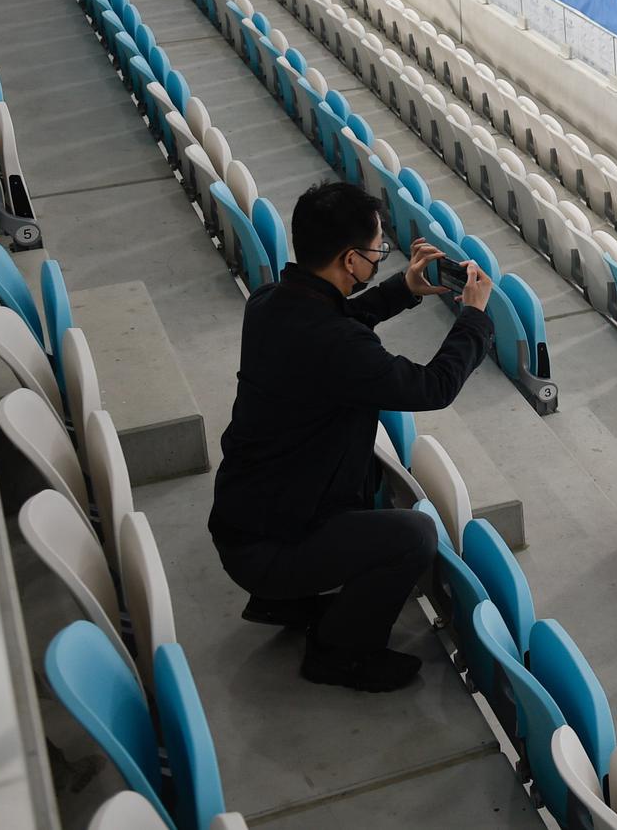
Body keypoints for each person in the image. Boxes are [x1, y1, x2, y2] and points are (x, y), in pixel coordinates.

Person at [208, 181, 495, 692]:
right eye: (376, 251)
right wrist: (474, 318)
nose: (380, 257)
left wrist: (402, 290)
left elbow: (336, 322)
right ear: (349, 260)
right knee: (414, 536)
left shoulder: (271, 300)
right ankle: (340, 653)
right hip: (268, 548)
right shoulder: (336, 345)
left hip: (245, 518)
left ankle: (285, 599)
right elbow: (434, 386)